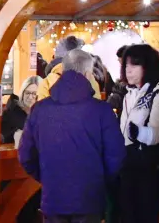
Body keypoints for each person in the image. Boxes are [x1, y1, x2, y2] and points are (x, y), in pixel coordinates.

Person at [18, 47, 124, 223]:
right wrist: (98, 179)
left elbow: (25, 155)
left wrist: (47, 176)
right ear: (88, 74)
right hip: (90, 199)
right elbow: (116, 155)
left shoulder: (39, 109)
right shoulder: (102, 110)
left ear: (63, 70)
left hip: (53, 198)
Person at [117, 43, 159, 223]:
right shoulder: (128, 94)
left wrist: (138, 133)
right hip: (127, 164)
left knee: (144, 215)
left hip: (148, 167)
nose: (129, 70)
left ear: (147, 66)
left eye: (135, 64)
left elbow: (156, 133)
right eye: (126, 65)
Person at [0, 76, 40, 145]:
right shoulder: (11, 112)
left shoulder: (45, 113)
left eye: (34, 93)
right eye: (27, 93)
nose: (30, 97)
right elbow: (3, 138)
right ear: (22, 93)